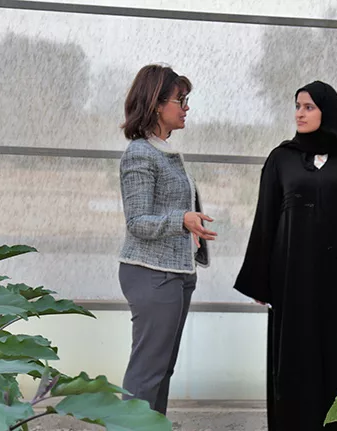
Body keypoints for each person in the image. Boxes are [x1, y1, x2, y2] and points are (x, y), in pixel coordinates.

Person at [234, 81, 337, 431]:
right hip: (291, 283)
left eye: (308, 107)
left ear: (328, 112)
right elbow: (265, 219)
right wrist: (259, 280)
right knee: (293, 363)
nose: (300, 113)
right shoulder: (281, 159)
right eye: (297, 106)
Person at [117, 64, 216, 414]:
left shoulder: (164, 152)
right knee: (147, 373)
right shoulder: (140, 154)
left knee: (161, 370)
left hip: (175, 273)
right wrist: (183, 220)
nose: (186, 107)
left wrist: (190, 229)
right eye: (180, 100)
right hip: (151, 273)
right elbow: (138, 222)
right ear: (157, 104)